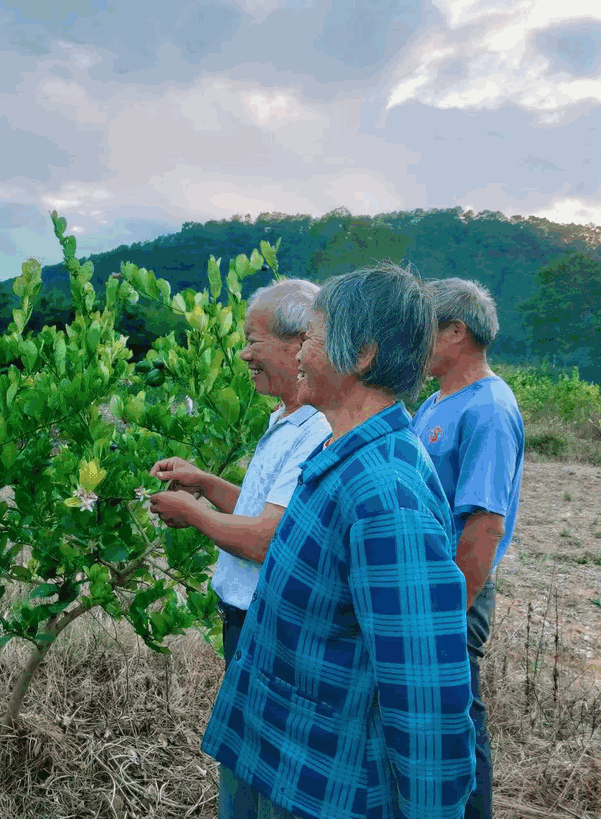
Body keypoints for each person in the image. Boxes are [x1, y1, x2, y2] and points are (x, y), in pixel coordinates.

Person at [202, 261, 476, 819]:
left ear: (363, 354)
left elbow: (423, 688)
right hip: (280, 754)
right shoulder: (339, 453)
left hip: (322, 778)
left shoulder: (386, 492)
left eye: (315, 339)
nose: (299, 354)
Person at [146, 279, 331, 666]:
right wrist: (205, 484)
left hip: (268, 620)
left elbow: (265, 540)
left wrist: (192, 512)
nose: (245, 355)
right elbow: (267, 510)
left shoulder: (317, 427)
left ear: (299, 344)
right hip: (247, 613)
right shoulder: (285, 415)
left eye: (253, 341)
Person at [411, 278, 525, 819]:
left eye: (423, 329)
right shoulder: (436, 402)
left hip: (456, 591)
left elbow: (484, 526)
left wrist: (449, 613)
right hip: (426, 586)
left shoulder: (490, 409)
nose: (413, 341)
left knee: (457, 719)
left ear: (455, 332)